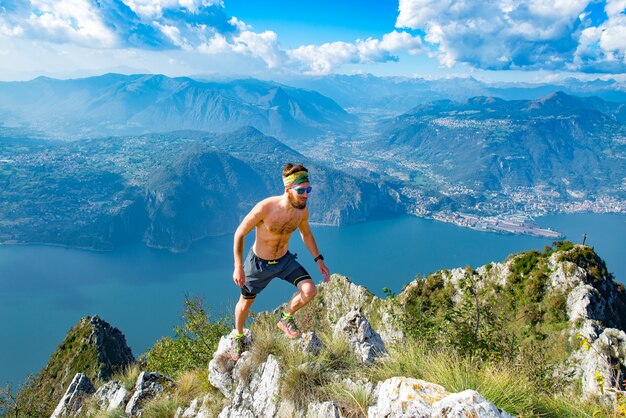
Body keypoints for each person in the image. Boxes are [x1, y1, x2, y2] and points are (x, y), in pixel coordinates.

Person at [229, 163, 331, 360]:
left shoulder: (302, 211)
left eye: (308, 190)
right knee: (246, 303)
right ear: (288, 189)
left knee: (310, 291)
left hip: (284, 260)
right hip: (258, 264)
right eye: (301, 191)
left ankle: (286, 318)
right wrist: (238, 266)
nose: (306, 195)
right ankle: (238, 335)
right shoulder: (265, 208)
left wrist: (318, 259)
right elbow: (239, 233)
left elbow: (306, 234)